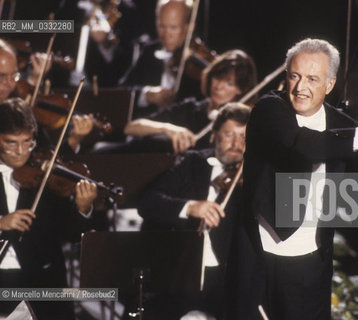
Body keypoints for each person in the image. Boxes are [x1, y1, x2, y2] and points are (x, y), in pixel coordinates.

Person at [242, 38, 358, 320]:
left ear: (330, 84)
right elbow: (303, 145)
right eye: (295, 76)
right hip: (257, 256)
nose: (301, 88)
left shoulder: (344, 129)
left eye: (312, 79)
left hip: (310, 262)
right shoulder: (268, 110)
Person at [137, 102, 250, 319]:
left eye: (244, 137)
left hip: (226, 280)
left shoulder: (253, 176)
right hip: (181, 271)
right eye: (229, 134)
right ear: (213, 135)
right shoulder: (193, 162)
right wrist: (190, 207)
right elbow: (148, 202)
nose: (236, 143)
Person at [0, 98, 98, 319]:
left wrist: (84, 208)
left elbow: (71, 234)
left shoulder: (47, 176)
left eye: (28, 142)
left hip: (41, 280)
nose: (20, 152)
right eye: (11, 143)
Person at [93, 49, 257, 154]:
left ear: (241, 89)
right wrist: (167, 129)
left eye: (229, 83)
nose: (219, 86)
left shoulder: (239, 125)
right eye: (217, 78)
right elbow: (131, 127)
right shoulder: (192, 108)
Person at [0, 39, 94, 154]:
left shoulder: (18, 110)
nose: (10, 84)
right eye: (2, 76)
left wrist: (74, 140)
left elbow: (44, 158)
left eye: (14, 75)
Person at [120, 0, 200, 111]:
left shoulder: (197, 59)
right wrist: (147, 95)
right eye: (162, 26)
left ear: (189, 27)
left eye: (174, 28)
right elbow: (121, 91)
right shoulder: (149, 51)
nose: (167, 35)